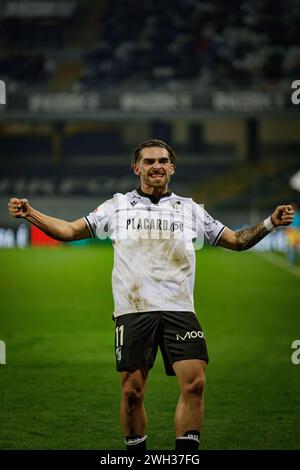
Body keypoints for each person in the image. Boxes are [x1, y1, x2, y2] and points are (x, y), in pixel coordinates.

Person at [8, 138, 295, 452]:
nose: (156, 166)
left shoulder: (191, 209)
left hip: (179, 309)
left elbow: (237, 240)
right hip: (134, 310)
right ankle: (137, 458)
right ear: (136, 168)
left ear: (171, 167)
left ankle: (184, 458)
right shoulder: (116, 206)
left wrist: (271, 222)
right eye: (148, 161)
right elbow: (67, 231)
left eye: (162, 161)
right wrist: (30, 213)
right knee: (132, 392)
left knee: (196, 384)